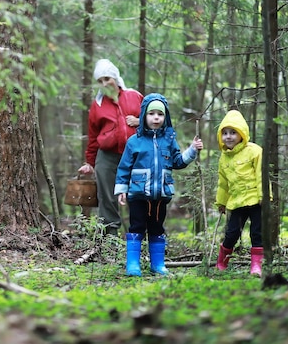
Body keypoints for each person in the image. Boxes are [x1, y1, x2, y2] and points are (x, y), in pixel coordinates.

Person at [114, 93, 203, 276]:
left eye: (160, 114)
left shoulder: (169, 140)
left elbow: (178, 162)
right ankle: (133, 265)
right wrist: (122, 189)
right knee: (136, 227)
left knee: (157, 228)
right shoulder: (134, 141)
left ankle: (158, 265)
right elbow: (124, 167)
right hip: (138, 194)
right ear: (143, 116)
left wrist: (192, 150)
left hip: (161, 195)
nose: (156, 117)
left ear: (165, 117)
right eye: (151, 113)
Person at [78, 59, 143, 236]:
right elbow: (93, 136)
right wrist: (90, 162)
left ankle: (141, 237)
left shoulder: (134, 96)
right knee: (107, 197)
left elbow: (154, 120)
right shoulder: (97, 105)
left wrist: (139, 121)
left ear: (115, 77)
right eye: (100, 81)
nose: (104, 83)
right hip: (107, 156)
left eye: (107, 78)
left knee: (137, 195)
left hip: (134, 155)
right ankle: (110, 239)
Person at [214, 109, 264, 276]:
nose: (228, 137)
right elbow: (223, 183)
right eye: (225, 133)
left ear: (242, 133)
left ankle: (256, 266)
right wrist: (221, 202)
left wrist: (264, 196)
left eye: (233, 133)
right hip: (236, 201)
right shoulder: (224, 157)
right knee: (232, 232)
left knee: (257, 232)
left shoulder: (254, 151)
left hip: (255, 200)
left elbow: (261, 174)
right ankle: (222, 262)